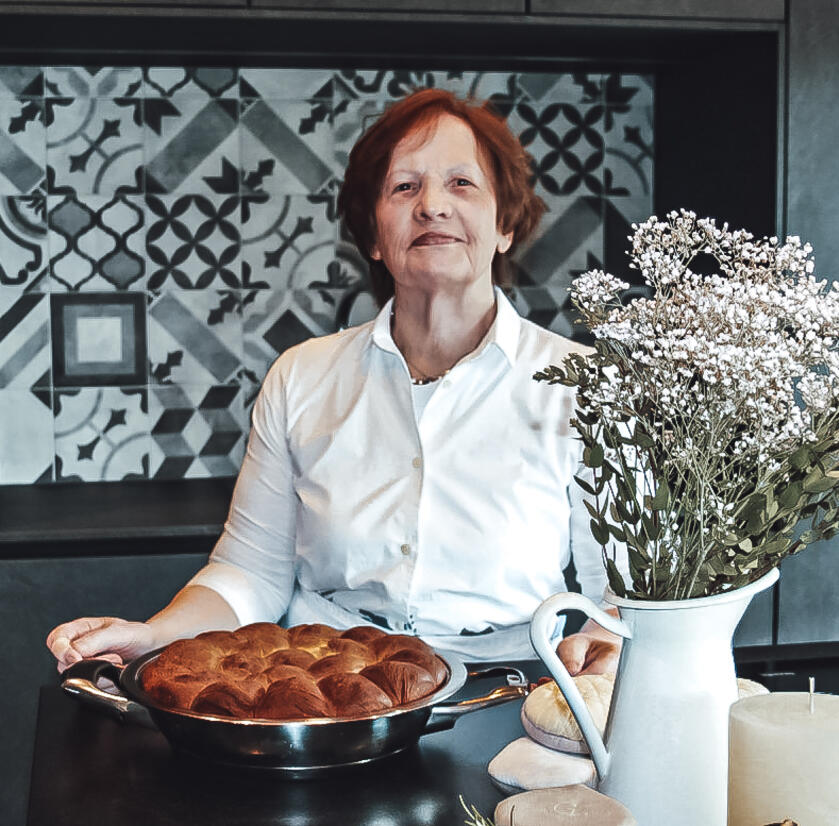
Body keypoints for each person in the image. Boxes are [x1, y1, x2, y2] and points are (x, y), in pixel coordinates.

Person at [47, 88, 625, 673]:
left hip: (509, 688)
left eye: (461, 184)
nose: (432, 206)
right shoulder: (300, 377)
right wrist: (152, 635)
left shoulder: (586, 384)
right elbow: (250, 572)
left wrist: (607, 641)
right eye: (404, 187)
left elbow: (622, 591)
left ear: (504, 224)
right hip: (325, 685)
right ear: (373, 236)